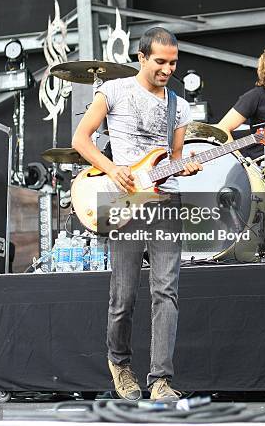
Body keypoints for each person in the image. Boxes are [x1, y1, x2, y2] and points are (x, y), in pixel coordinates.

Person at [72, 28, 201, 401]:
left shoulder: (180, 104)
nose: (167, 69)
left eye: (173, 62)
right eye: (160, 61)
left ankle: (160, 379)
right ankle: (120, 363)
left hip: (165, 201)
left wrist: (186, 167)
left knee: (166, 290)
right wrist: (111, 168)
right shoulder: (113, 90)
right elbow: (82, 139)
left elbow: (174, 159)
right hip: (122, 199)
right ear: (142, 57)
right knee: (123, 295)